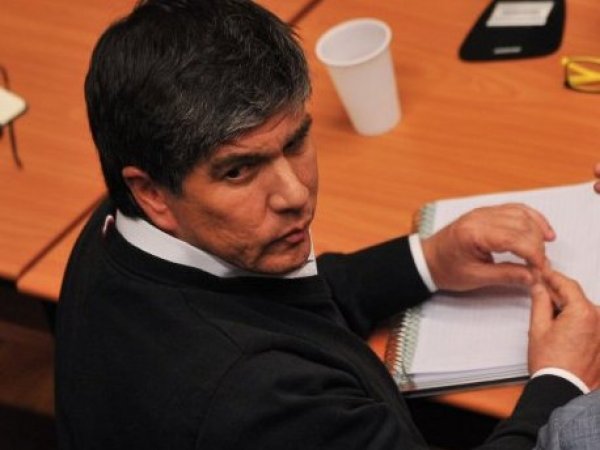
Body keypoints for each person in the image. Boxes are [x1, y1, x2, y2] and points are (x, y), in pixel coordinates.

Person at [55, 1, 600, 449]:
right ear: (152, 191)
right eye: (239, 171)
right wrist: (559, 384)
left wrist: (427, 260)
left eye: (296, 141)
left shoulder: (125, 225)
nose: (294, 194)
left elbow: (271, 304)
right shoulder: (265, 405)